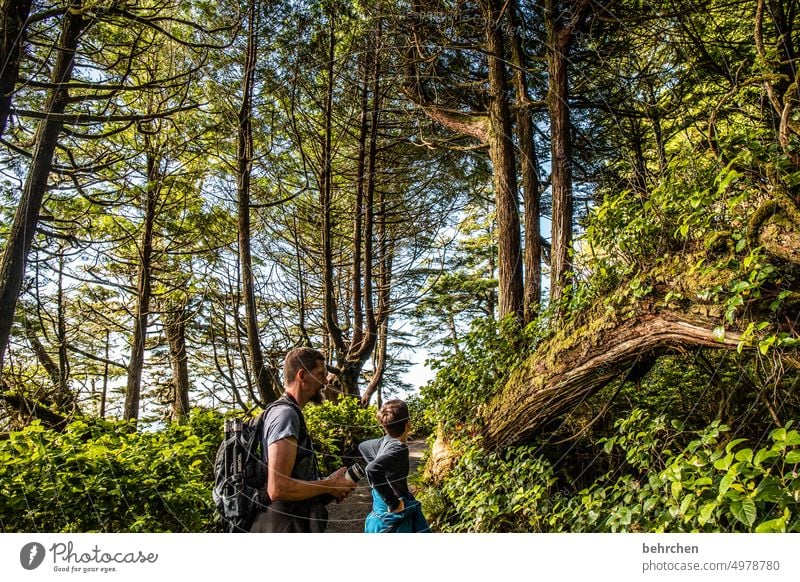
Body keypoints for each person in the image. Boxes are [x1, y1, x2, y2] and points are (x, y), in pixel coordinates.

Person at [250, 347, 356, 532]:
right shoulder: (285, 415)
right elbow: (278, 488)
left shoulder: (288, 412)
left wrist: (328, 488)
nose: (325, 382)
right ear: (302, 375)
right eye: (320, 374)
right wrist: (329, 485)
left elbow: (293, 479)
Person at [358, 399, 430, 533]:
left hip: (379, 511)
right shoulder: (399, 448)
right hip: (394, 516)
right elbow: (372, 469)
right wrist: (393, 503)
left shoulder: (383, 442)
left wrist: (383, 468)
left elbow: (363, 446)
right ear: (408, 423)